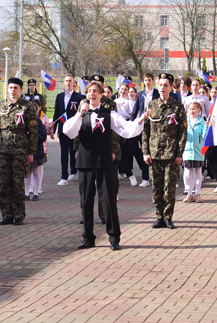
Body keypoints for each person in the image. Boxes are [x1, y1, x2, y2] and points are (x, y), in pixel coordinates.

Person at [63, 80, 147, 250]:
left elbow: (126, 129)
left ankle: (114, 237)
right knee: (86, 201)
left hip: (104, 161)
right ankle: (88, 237)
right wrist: (80, 114)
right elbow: (68, 131)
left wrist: (140, 120)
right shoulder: (81, 114)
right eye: (89, 92)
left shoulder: (110, 114)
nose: (92, 94)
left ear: (102, 95)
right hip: (85, 162)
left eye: (95, 91)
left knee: (108, 199)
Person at [142, 73, 187, 229]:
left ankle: (168, 217)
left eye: (166, 85)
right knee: (156, 187)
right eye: (160, 85)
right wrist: (145, 152)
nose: (162, 88)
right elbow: (145, 131)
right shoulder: (151, 106)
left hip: (171, 153)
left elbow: (182, 131)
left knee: (169, 187)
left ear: (171, 87)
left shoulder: (178, 107)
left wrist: (179, 153)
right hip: (154, 153)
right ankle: (158, 216)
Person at [0, 77, 39, 225]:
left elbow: (33, 131)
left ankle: (19, 214)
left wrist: (31, 152)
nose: (13, 90)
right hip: (3, 149)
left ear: (21, 90)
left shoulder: (27, 107)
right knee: (4, 183)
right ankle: (6, 215)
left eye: (16, 88)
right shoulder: (0, 106)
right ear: (7, 89)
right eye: (11, 88)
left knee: (18, 183)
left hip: (20, 149)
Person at [53, 74, 85, 186]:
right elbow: (56, 114)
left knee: (73, 151)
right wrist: (53, 130)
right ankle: (63, 176)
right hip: (62, 129)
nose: (68, 82)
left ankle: (74, 171)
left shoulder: (79, 97)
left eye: (70, 81)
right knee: (63, 153)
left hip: (74, 129)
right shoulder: (59, 96)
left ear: (74, 83)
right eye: (66, 80)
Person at [181, 101, 206, 203]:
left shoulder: (202, 122)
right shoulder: (185, 122)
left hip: (198, 150)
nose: (192, 111)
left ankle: (197, 193)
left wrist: (207, 127)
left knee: (198, 171)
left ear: (198, 110)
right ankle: (189, 193)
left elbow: (204, 136)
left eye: (194, 109)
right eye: (190, 109)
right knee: (187, 171)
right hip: (187, 150)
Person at [26, 117, 47, 201]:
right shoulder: (24, 122)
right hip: (26, 151)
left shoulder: (39, 124)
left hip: (37, 151)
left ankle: (36, 192)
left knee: (35, 171)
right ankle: (26, 193)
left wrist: (33, 134)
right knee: (27, 172)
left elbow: (43, 137)